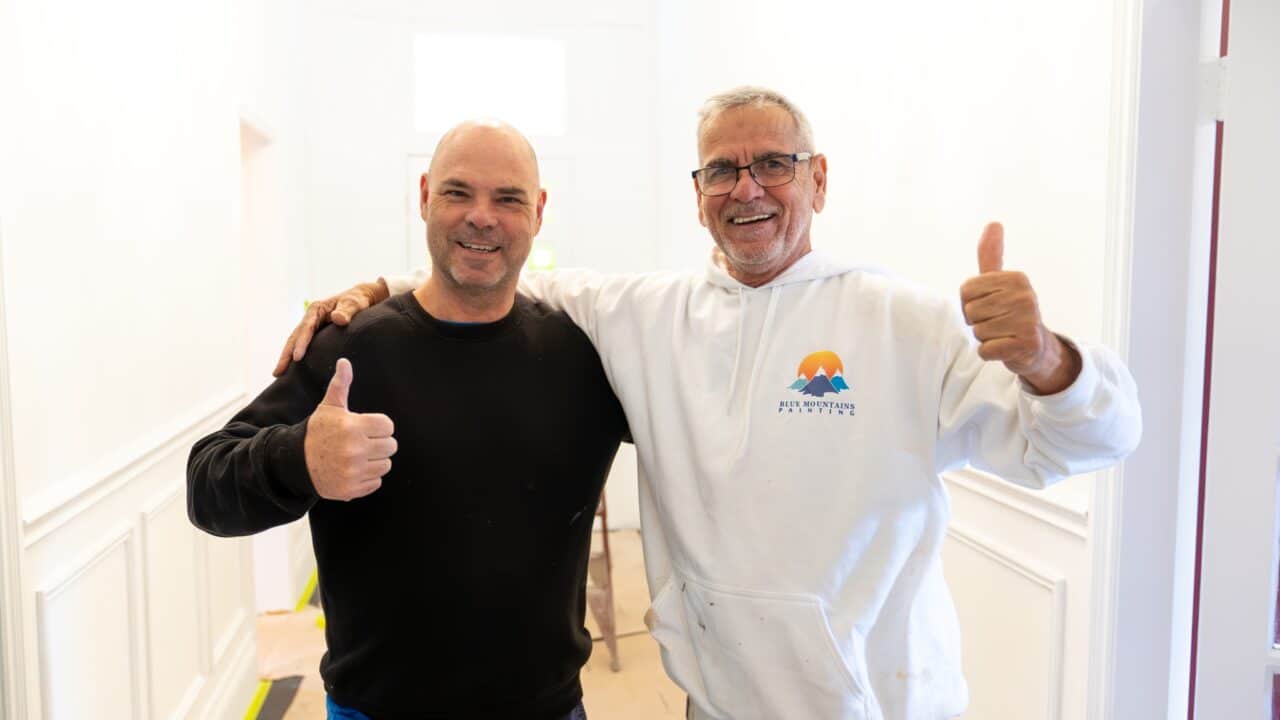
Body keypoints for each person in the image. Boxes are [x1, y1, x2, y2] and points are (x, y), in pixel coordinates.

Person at [278, 87, 1142, 720]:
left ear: (818, 179)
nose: (748, 188)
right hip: (715, 704)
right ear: (699, 195)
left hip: (879, 705)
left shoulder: (904, 321)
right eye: (723, 169)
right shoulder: (648, 313)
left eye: (774, 163)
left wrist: (1046, 359)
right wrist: (375, 287)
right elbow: (495, 274)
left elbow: (1080, 445)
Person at [188, 120, 628, 720]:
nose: (482, 216)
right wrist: (299, 459)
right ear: (423, 196)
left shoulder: (585, 358)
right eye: (457, 192)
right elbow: (206, 487)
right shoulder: (349, 348)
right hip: (377, 709)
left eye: (508, 198)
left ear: (539, 211)